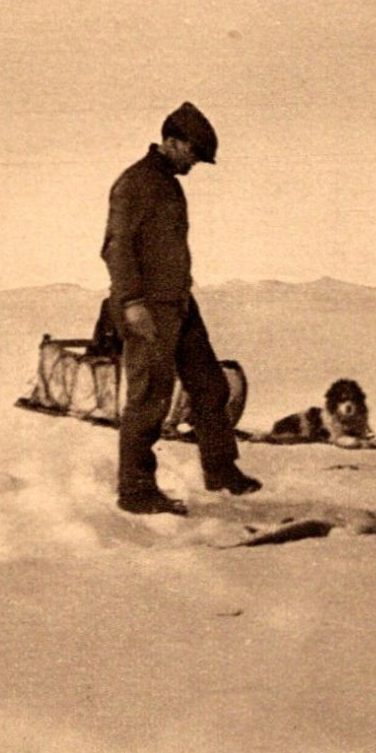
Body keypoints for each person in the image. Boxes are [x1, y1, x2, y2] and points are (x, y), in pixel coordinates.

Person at [100, 102, 260, 515]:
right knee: (150, 398)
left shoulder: (167, 182)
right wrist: (132, 302)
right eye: (192, 153)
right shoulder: (134, 183)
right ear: (170, 141)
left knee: (211, 386)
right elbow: (117, 249)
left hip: (179, 304)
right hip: (148, 308)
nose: (195, 163)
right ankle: (135, 491)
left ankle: (221, 470)